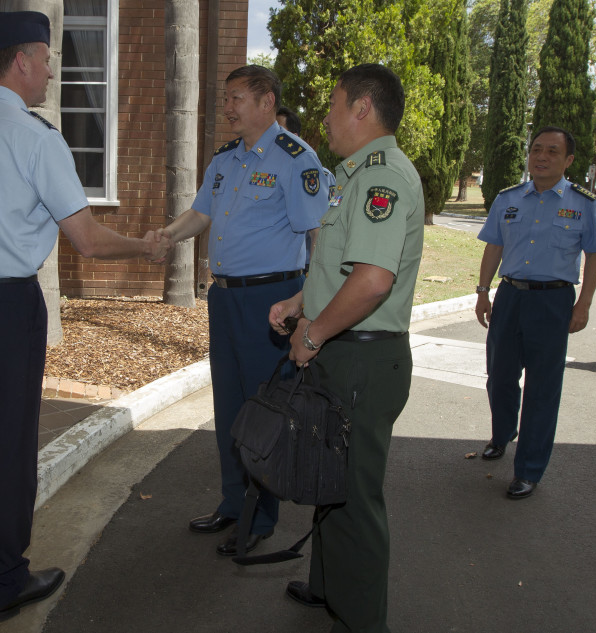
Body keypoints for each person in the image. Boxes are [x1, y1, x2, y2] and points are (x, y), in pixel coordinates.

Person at [0, 11, 170, 622]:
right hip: (0, 306)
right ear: (20, 61)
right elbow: (88, 240)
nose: (49, 71)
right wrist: (145, 247)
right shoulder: (35, 138)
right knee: (9, 443)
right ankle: (7, 579)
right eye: (46, 59)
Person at [269, 63, 424, 633]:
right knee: (329, 477)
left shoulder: (382, 177)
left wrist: (311, 334)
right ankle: (329, 587)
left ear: (362, 109)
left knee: (354, 496)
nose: (326, 117)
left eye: (335, 105)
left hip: (362, 355)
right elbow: (341, 271)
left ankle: (361, 620)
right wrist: (298, 304)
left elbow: (373, 281)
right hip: (347, 348)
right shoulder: (355, 174)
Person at [157, 65, 329, 556]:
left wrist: (309, 305)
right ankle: (234, 503)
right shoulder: (226, 159)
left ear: (267, 101)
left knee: (264, 409)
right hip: (226, 296)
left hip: (271, 300)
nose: (227, 107)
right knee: (229, 405)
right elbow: (201, 213)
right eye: (226, 97)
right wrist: (167, 237)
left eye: (236, 98)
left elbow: (319, 235)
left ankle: (261, 515)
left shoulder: (297, 159)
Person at [474, 126, 596, 499]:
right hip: (510, 297)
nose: (541, 157)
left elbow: (595, 256)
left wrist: (584, 304)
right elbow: (493, 247)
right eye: (536, 149)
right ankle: (502, 435)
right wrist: (483, 292)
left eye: (551, 151)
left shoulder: (584, 203)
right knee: (499, 376)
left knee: (542, 389)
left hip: (553, 301)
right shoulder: (508, 198)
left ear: (568, 160)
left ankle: (529, 469)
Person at [275, 104, 335, 273]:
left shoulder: (322, 177)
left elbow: (322, 227)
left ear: (293, 137)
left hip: (307, 267)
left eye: (278, 130)